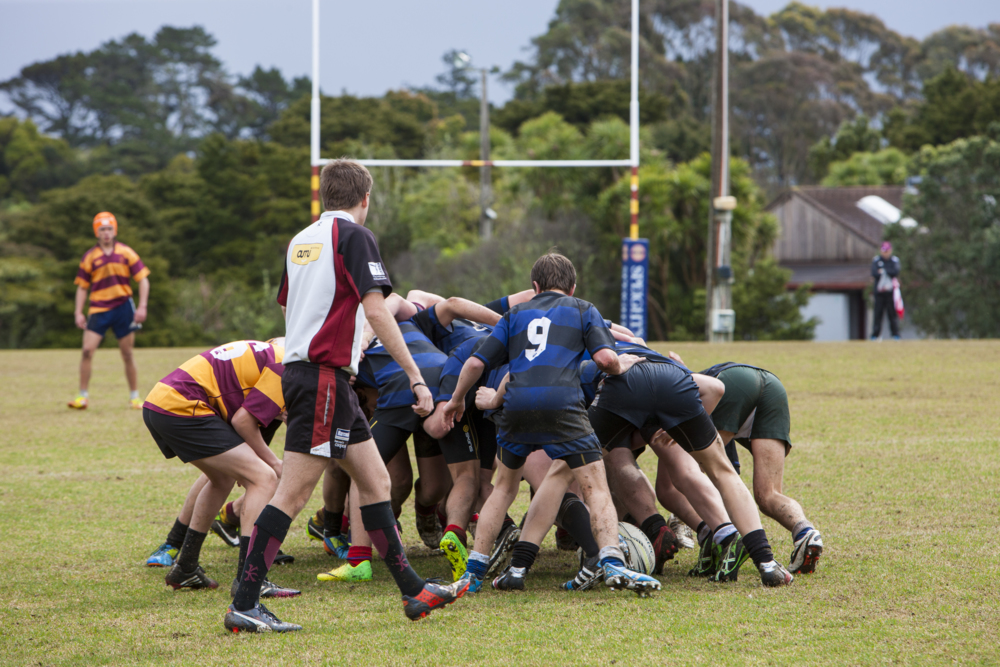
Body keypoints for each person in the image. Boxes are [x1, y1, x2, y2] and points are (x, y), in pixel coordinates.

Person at [224, 159, 467, 634]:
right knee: (292, 494)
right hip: (323, 379)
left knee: (375, 483)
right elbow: (377, 312)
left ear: (322, 195)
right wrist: (416, 376)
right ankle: (245, 602)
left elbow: (296, 306)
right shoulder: (356, 235)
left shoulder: (301, 240)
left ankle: (413, 591)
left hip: (318, 376)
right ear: (365, 199)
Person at [441, 252, 660, 596]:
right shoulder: (583, 309)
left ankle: (475, 570)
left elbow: (474, 364)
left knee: (503, 488)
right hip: (563, 407)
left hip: (515, 407)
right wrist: (621, 365)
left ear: (535, 287)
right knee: (595, 485)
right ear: (572, 287)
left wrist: (455, 400)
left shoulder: (515, 314)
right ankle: (612, 561)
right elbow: (605, 358)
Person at [141, 339, 298, 599]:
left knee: (222, 478)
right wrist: (273, 462)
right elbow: (243, 421)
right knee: (264, 478)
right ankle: (250, 579)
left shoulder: (274, 351)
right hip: (181, 406)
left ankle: (186, 567)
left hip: (161, 402)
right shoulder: (287, 364)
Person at [693, 359, 823, 575]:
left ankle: (722, 539)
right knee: (768, 495)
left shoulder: (684, 393)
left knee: (698, 471)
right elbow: (731, 470)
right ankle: (805, 532)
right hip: (772, 385)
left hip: (730, 384)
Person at [68, 212, 150, 410]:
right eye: (102, 229)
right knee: (87, 351)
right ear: (97, 232)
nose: (106, 233)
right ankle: (83, 397)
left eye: (109, 229)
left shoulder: (126, 252)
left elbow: (143, 279)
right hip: (98, 308)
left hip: (123, 308)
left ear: (115, 231)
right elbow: (82, 287)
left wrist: (142, 306)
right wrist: (78, 312)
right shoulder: (89, 257)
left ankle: (134, 397)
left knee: (127, 354)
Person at [871, 241, 901, 340]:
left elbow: (895, 272)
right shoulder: (876, 260)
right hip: (879, 293)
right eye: (883, 251)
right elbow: (874, 273)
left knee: (892, 314)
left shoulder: (894, 260)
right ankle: (875, 335)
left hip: (890, 293)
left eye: (887, 251)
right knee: (878, 314)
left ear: (890, 250)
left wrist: (883, 271)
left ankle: (895, 335)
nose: (885, 253)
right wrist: (886, 271)